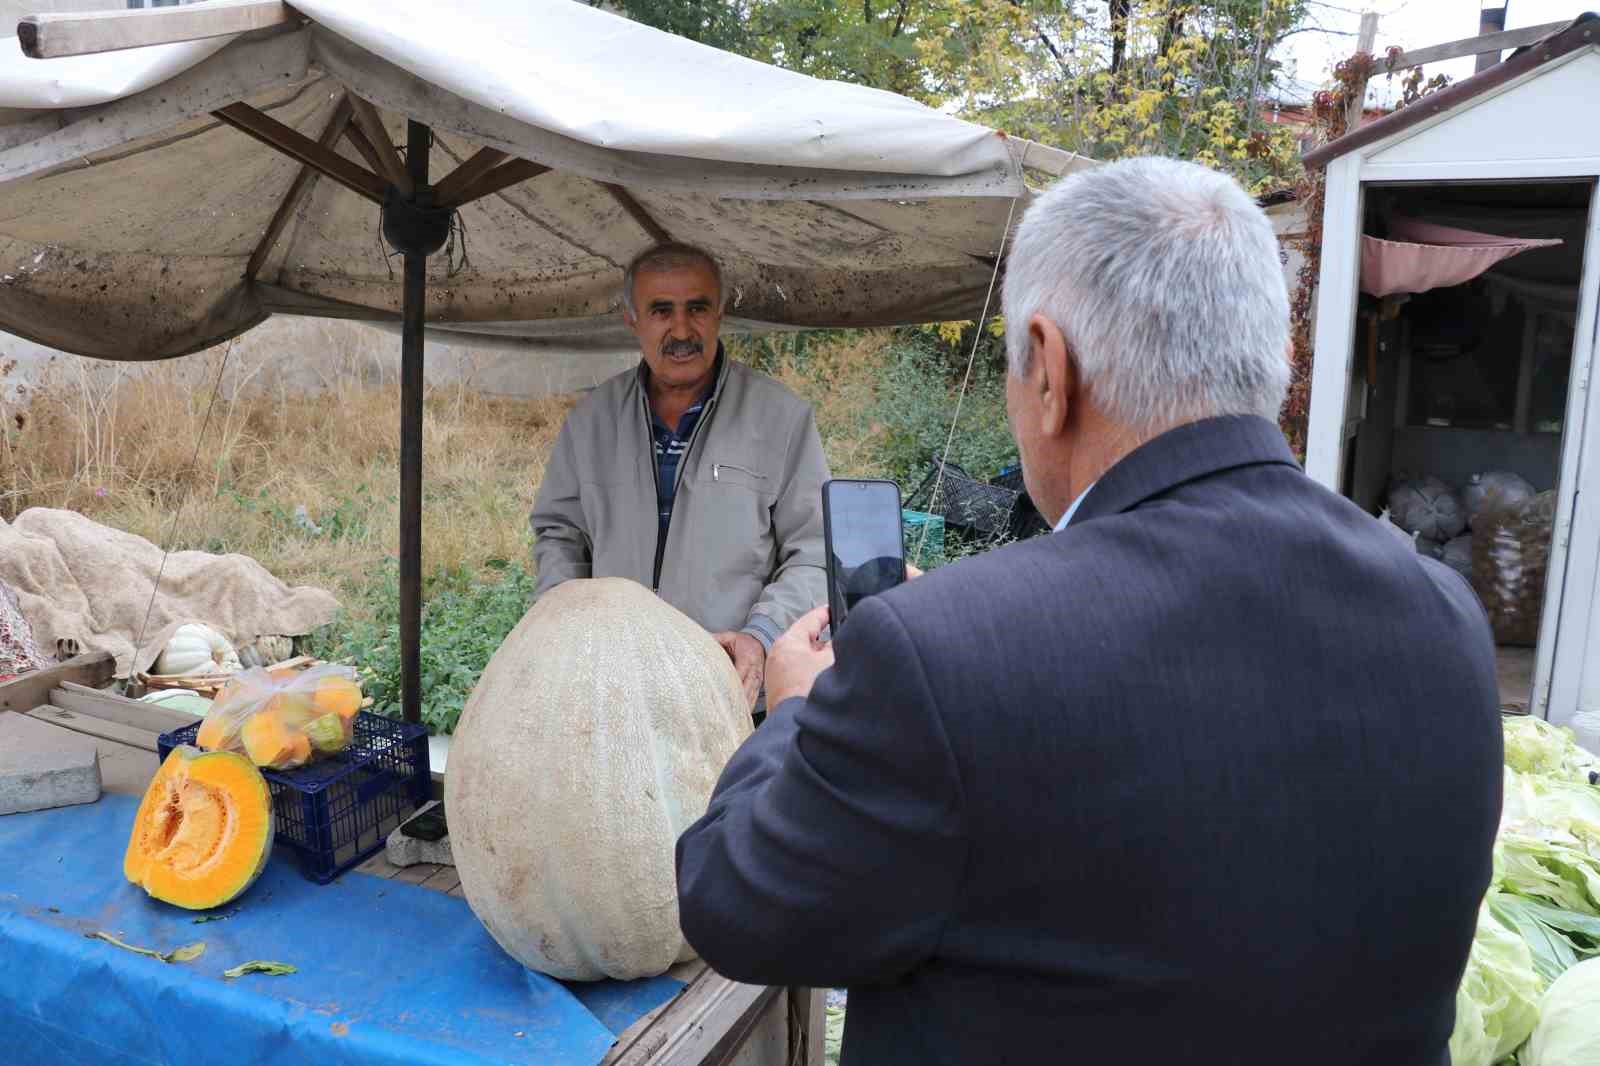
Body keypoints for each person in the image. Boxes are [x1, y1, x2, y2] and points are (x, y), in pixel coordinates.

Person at [675, 157, 1503, 1065]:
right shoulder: (1446, 615)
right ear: (1273, 356)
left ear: (1050, 370)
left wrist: (796, 709)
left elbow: (738, 907)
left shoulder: (943, 654)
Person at [530, 243, 829, 710]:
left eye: (697, 308)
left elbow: (815, 554)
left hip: (730, 691)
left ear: (720, 314)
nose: (682, 330)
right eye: (661, 311)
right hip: (616, 688)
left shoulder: (781, 418)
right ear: (633, 320)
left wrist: (761, 635)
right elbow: (560, 534)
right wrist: (566, 626)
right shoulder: (591, 421)